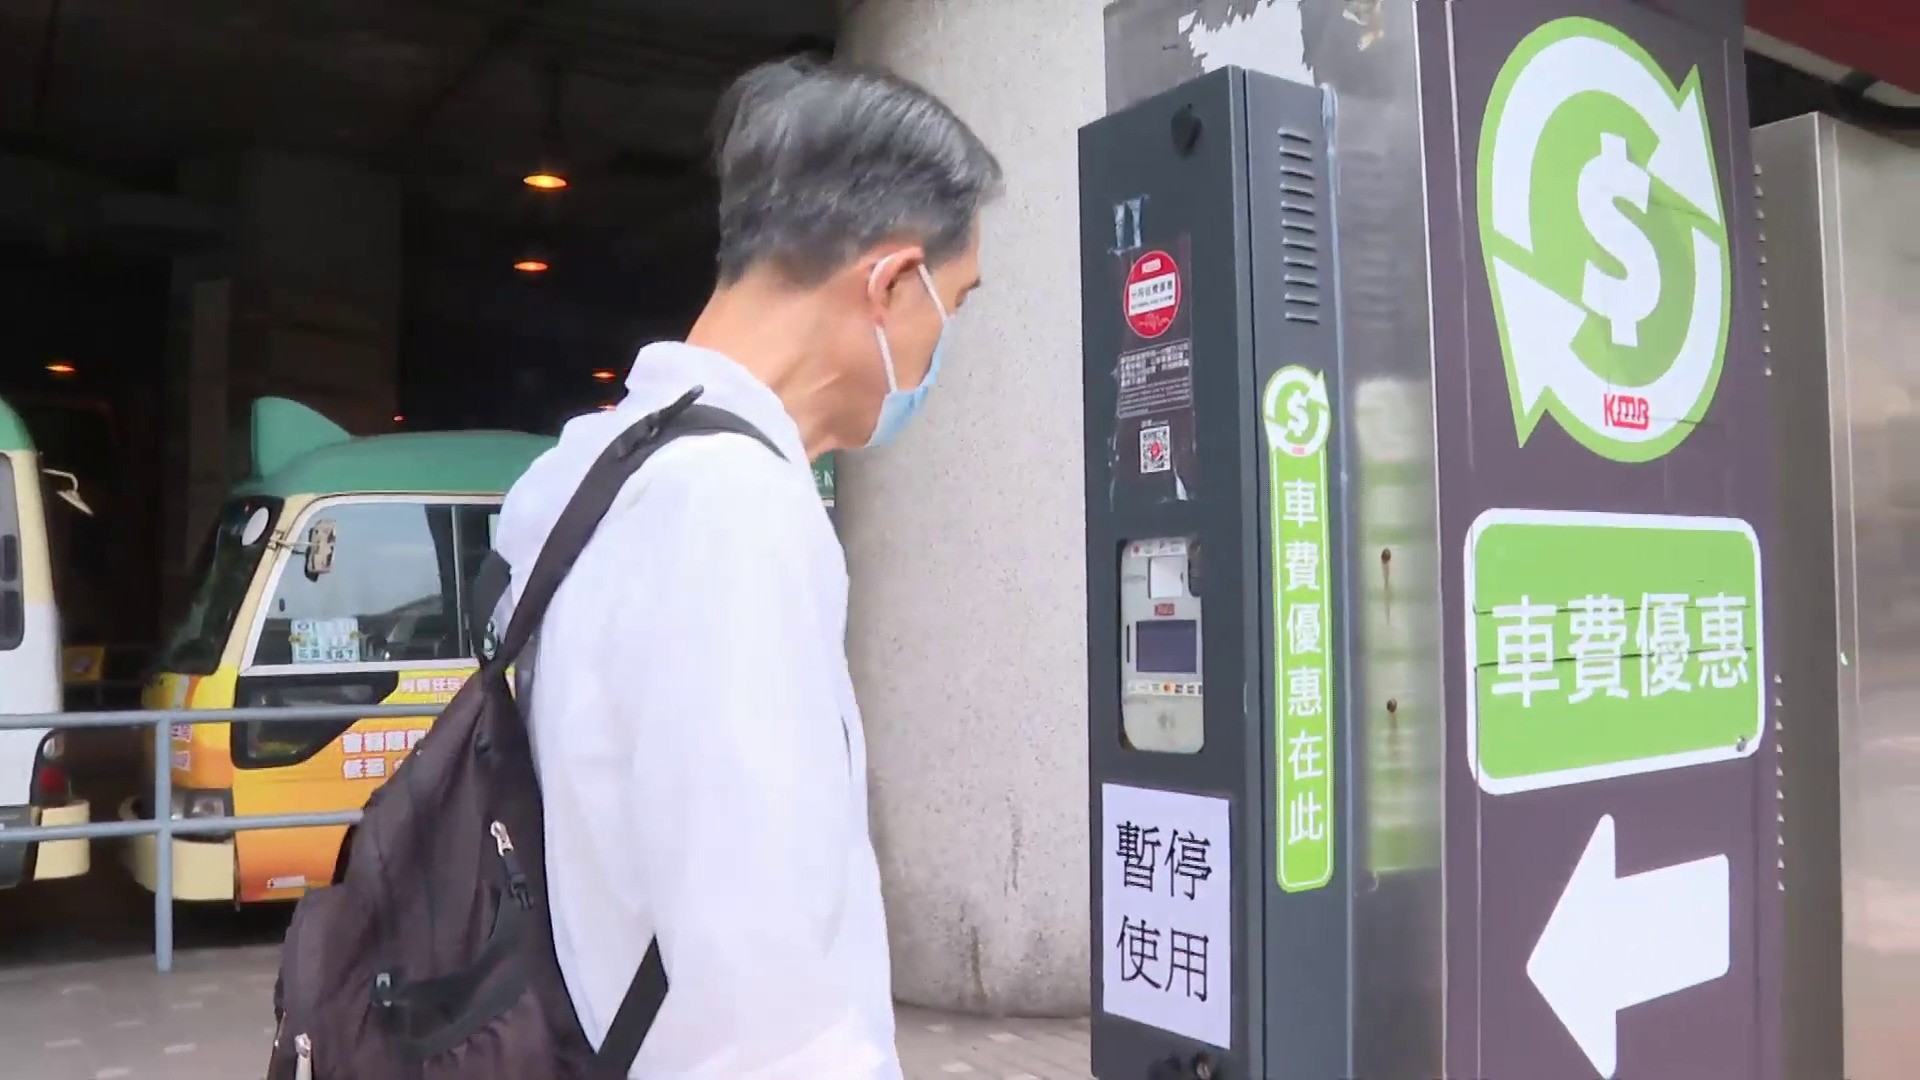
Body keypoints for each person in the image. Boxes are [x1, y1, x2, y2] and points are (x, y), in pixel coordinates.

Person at [490, 55, 1002, 1080]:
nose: (946, 344)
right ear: (891, 284)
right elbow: (767, 999)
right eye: (955, 301)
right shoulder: (731, 511)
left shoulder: (594, 470)